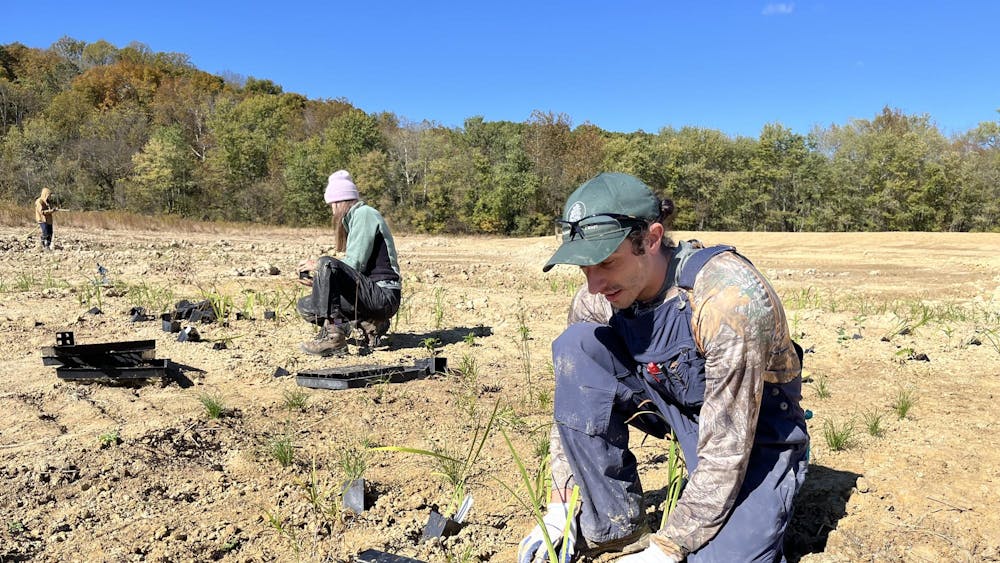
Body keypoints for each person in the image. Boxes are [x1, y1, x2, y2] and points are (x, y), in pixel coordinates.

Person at [518, 173, 809, 562]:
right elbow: (573, 405)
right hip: (670, 402)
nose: (594, 284)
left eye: (606, 262)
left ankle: (779, 484)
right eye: (584, 267)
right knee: (577, 345)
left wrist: (668, 547)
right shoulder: (598, 299)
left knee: (723, 558)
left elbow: (727, 449)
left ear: (652, 238)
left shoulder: (726, 299)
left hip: (753, 429)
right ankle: (614, 526)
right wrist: (561, 504)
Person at [297, 170, 402, 356]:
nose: (331, 210)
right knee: (307, 306)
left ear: (339, 201)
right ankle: (368, 322)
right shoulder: (354, 219)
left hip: (383, 295)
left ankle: (334, 337)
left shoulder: (364, 214)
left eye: (331, 205)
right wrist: (319, 283)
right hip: (370, 295)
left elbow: (354, 264)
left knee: (326, 263)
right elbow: (350, 277)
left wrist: (319, 267)